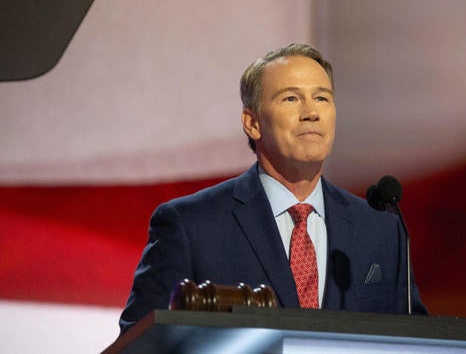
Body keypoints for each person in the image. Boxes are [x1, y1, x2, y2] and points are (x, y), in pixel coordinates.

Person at [119, 43, 427, 333]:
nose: (312, 112)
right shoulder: (190, 226)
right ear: (252, 123)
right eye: (291, 98)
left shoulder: (382, 231)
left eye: (322, 98)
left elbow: (419, 342)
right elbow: (140, 342)